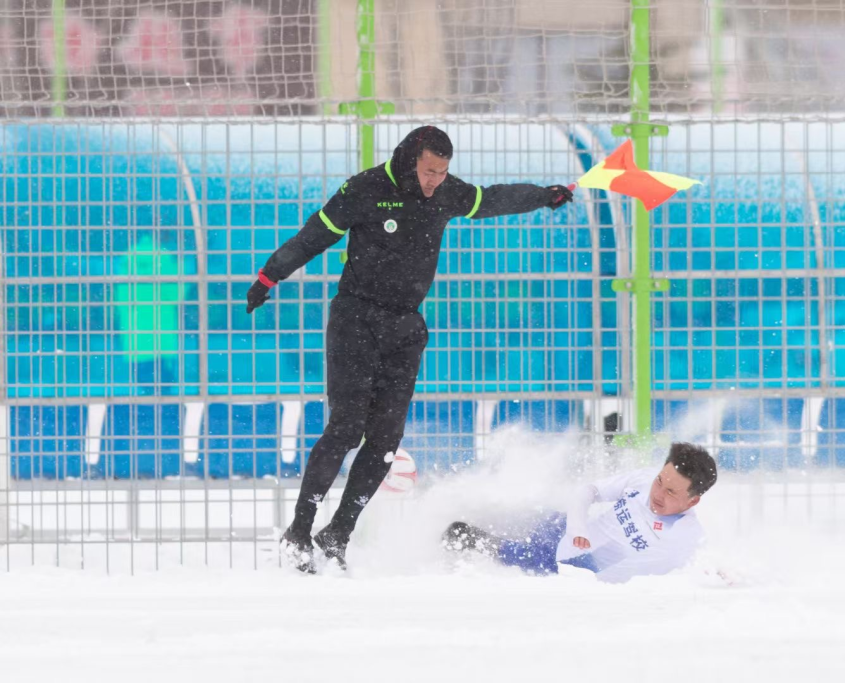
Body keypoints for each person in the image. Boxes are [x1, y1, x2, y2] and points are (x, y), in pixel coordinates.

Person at [247, 126, 574, 573]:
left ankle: (338, 531)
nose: (434, 181)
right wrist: (269, 276)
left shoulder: (446, 194)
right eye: (428, 171)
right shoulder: (364, 189)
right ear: (409, 160)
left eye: (442, 172)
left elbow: (492, 200)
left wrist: (544, 196)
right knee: (346, 429)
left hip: (405, 326)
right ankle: (300, 530)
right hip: (356, 319)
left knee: (384, 441)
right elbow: (314, 236)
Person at [443, 442, 718, 583]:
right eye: (660, 481)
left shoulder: (686, 535)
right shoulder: (644, 479)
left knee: (507, 549)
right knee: (527, 512)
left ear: (692, 501)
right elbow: (588, 491)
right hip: (570, 528)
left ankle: (469, 542)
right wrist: (577, 529)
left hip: (573, 565)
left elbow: (711, 565)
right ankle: (465, 509)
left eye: (671, 493)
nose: (657, 493)